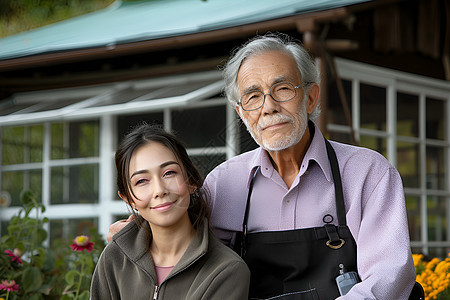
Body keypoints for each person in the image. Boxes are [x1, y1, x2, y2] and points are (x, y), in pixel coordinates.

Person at [108, 33, 417, 299]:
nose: (268, 107)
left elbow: (389, 277)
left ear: (310, 97)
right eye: (253, 96)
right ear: (241, 111)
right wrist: (137, 232)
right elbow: (178, 231)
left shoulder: (368, 173)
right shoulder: (223, 184)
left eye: (282, 89)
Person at [91, 124, 250, 300]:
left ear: (190, 181)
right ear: (129, 199)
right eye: (142, 181)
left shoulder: (226, 270)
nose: (159, 190)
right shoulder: (114, 259)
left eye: (169, 173)